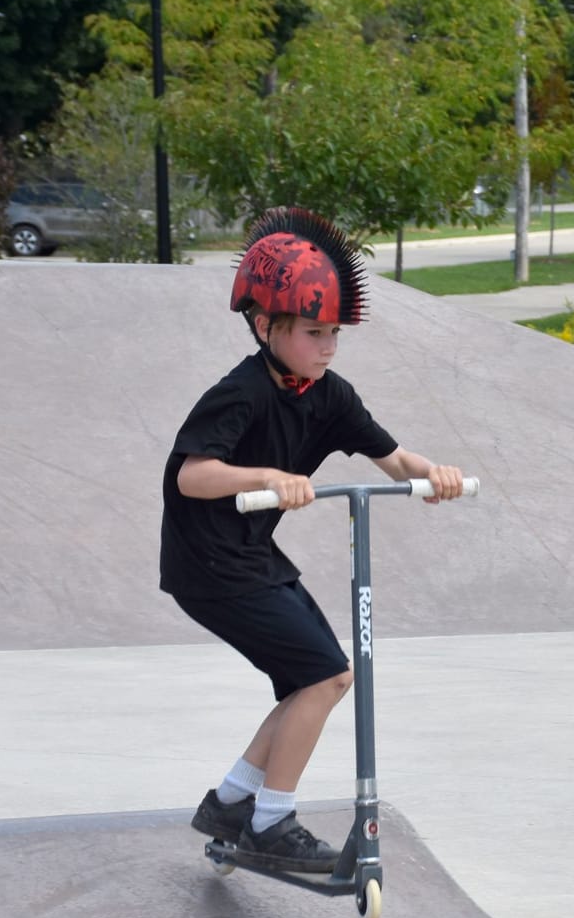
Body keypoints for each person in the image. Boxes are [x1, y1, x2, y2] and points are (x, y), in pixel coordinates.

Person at [161, 205, 466, 871]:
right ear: (265, 325)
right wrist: (270, 474)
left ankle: (234, 801)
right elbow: (192, 476)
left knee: (317, 680)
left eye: (334, 333)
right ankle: (272, 821)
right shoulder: (239, 393)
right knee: (326, 676)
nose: (327, 346)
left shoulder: (330, 395)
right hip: (207, 563)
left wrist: (433, 475)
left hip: (250, 556)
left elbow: (394, 458)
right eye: (312, 331)